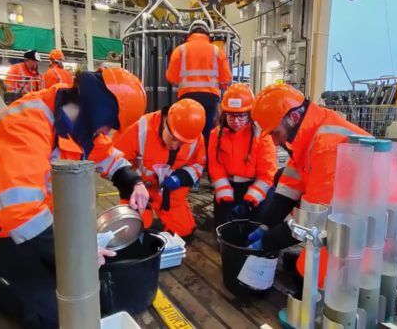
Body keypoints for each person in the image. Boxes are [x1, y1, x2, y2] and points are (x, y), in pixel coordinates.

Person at [0, 67, 149, 329]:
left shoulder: (76, 121)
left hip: (32, 227)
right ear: (100, 111)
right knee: (57, 315)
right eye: (110, 126)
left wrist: (133, 182)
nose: (107, 134)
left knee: (88, 290)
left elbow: (106, 155)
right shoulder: (25, 125)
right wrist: (78, 255)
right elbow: (23, 215)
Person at [246, 84, 370, 287]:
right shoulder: (306, 136)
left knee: (309, 283)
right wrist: (265, 225)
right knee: (279, 177)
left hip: (369, 214)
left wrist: (268, 242)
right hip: (345, 207)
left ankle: (381, 260)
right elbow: (288, 188)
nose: (275, 142)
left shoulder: (328, 146)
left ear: (293, 118)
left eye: (276, 133)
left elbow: (314, 219)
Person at [114, 99, 206, 239]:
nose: (175, 146)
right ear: (165, 122)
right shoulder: (140, 128)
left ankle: (160, 226)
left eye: (182, 143)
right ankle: (146, 220)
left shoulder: (195, 137)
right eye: (173, 138)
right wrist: (133, 183)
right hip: (138, 192)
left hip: (170, 194)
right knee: (131, 232)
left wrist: (180, 178)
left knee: (185, 233)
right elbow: (116, 160)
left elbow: (198, 165)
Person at [208, 84, 277, 229]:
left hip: (255, 187)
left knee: (254, 230)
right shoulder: (216, 134)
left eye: (241, 115)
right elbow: (216, 167)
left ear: (249, 114)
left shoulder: (262, 135)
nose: (236, 121)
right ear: (224, 114)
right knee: (224, 229)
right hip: (228, 186)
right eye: (231, 115)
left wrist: (249, 202)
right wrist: (225, 195)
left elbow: (267, 175)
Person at [166, 20, 232, 148]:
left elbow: (171, 77)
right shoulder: (217, 51)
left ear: (189, 34)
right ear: (207, 35)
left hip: (187, 98)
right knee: (208, 132)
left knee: (187, 132)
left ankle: (187, 162)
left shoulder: (180, 50)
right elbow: (226, 79)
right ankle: (206, 163)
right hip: (210, 99)